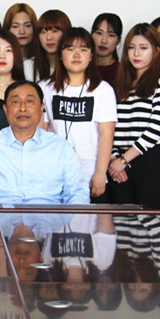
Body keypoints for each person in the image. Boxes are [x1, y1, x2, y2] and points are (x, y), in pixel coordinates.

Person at [0, 81, 89, 205]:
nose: (22, 108)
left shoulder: (60, 148)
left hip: (47, 220)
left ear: (42, 108)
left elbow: (78, 194)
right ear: (5, 109)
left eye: (29, 101)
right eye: (15, 102)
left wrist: (68, 220)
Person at [41, 27, 116, 201]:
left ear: (91, 56)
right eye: (70, 49)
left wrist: (100, 173)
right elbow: (41, 133)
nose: (76, 55)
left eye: (83, 49)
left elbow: (106, 134)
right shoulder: (45, 88)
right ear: (60, 55)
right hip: (53, 176)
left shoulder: (103, 90)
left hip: (89, 175)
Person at [107, 23, 160, 210]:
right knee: (122, 222)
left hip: (147, 161)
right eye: (131, 48)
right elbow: (109, 127)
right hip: (118, 162)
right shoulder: (120, 85)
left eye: (143, 48)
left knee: (150, 220)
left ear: (156, 51)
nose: (136, 53)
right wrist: (113, 159)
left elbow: (155, 130)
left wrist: (124, 160)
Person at [33, 9, 72, 82]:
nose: (49, 37)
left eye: (54, 31)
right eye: (43, 32)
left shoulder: (75, 65)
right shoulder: (29, 67)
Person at [3, 3, 38, 79]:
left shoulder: (41, 59)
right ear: (7, 29)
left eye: (27, 25)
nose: (22, 31)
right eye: (15, 26)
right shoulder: (2, 58)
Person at [91, 13, 123, 86]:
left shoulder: (123, 72)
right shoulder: (82, 67)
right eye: (99, 33)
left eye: (111, 35)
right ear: (91, 35)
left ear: (118, 40)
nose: (104, 41)